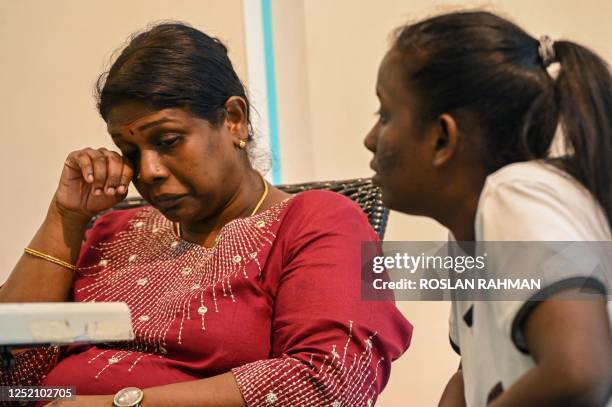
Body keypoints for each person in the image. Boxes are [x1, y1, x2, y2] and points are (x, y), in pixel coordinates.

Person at [0, 23, 412, 406]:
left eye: (168, 141)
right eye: (129, 152)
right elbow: (13, 375)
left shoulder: (317, 221)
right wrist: (65, 217)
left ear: (234, 120)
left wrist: (120, 403)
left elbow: (331, 381)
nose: (148, 171)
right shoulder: (113, 230)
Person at [364, 10, 612, 407]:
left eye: (386, 114)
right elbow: (470, 378)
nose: (370, 139)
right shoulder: (469, 235)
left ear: (443, 138)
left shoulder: (514, 196)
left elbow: (581, 371)